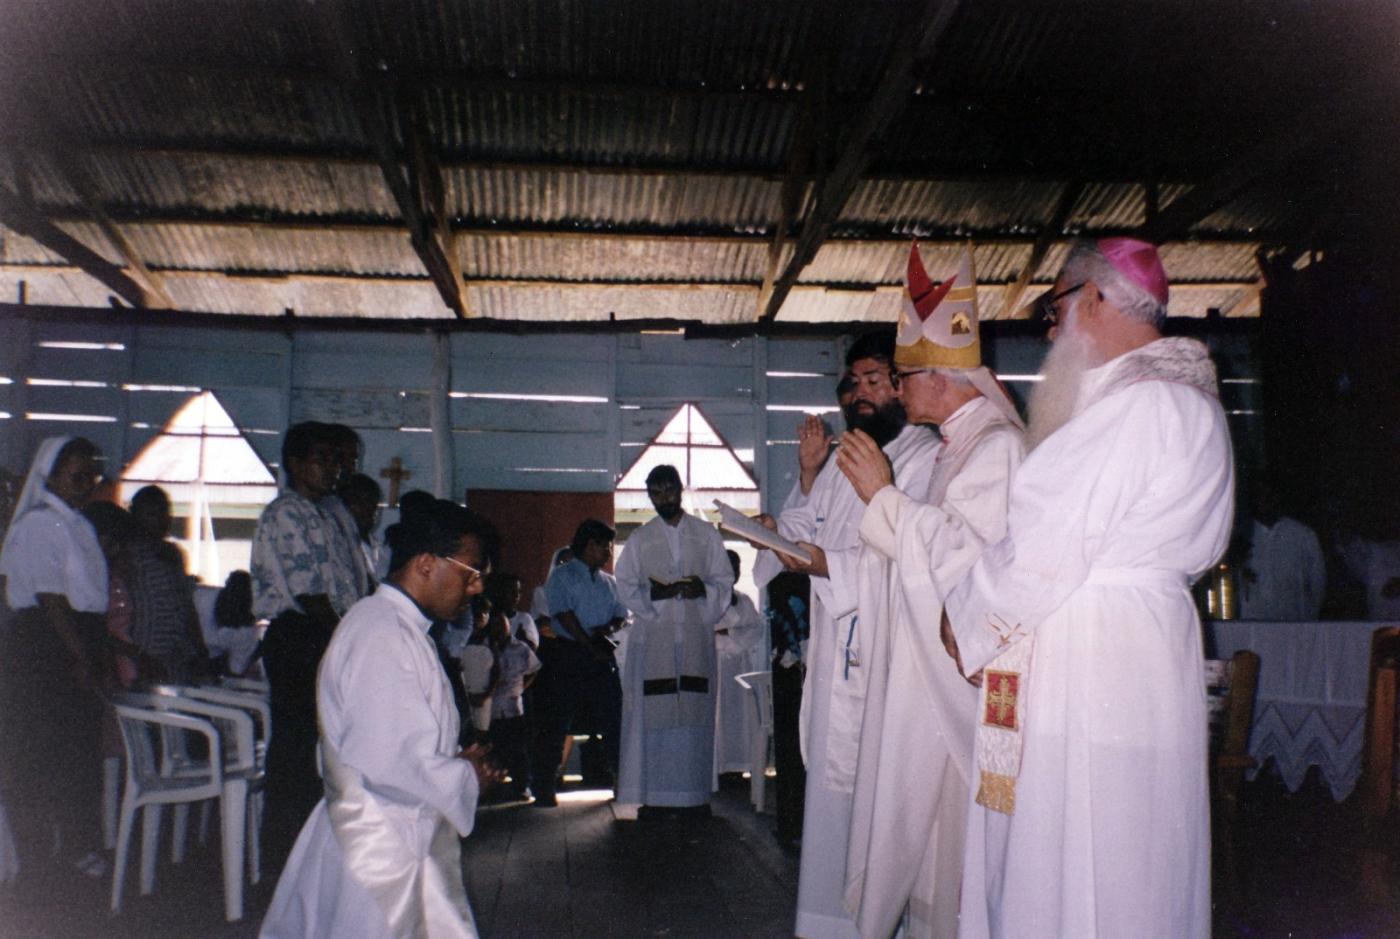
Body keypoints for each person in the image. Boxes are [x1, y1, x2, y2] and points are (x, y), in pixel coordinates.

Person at [939, 238, 1234, 937]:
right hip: (1141, 653)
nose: (1052, 327)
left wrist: (964, 618)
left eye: (1056, 305)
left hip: (1089, 653)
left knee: (1073, 851)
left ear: (1097, 298)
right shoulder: (1189, 404)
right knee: (1134, 856)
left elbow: (1043, 539)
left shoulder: (1137, 404)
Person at [836, 243, 1026, 939]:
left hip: (962, 699)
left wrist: (884, 499)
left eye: (905, 374)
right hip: (928, 686)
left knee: (955, 861)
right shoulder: (958, 445)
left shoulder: (999, 448)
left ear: (942, 378)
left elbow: (969, 570)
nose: (898, 385)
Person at [753, 331, 939, 939]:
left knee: (882, 794)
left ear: (902, 384)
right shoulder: (840, 458)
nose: (860, 394)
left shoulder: (925, 456)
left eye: (874, 380)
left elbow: (919, 558)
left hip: (892, 652)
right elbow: (810, 535)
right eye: (851, 383)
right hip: (839, 649)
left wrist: (826, 564)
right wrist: (801, 489)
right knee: (835, 795)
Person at [260, 499, 502, 939]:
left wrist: (453, 761)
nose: (476, 588)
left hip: (392, 825)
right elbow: (388, 759)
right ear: (427, 564)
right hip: (380, 842)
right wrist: (466, 776)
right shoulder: (383, 635)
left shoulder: (393, 624)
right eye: (471, 572)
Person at [251, 421, 364, 862]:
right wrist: (348, 644)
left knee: (326, 751)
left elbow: (348, 585)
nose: (332, 469)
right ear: (295, 464)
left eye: (336, 460)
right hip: (302, 638)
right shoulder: (287, 513)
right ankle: (282, 858)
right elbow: (310, 593)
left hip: (328, 635)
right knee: (295, 752)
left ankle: (317, 856)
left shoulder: (328, 514)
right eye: (321, 460)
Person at [0, 436, 109, 878]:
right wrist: (78, 656)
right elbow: (50, 598)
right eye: (76, 475)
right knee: (44, 754)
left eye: (90, 475)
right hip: (49, 645)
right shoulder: (40, 524)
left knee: (76, 754)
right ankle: (40, 861)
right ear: (52, 474)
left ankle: (74, 849)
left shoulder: (75, 524)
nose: (85, 483)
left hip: (74, 638)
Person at [615, 465, 735, 810]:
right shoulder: (640, 538)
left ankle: (693, 795)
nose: (663, 498)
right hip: (654, 639)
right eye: (656, 492)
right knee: (653, 716)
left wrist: (702, 588)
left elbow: (723, 580)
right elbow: (625, 585)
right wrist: (653, 597)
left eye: (669, 490)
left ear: (680, 489)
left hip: (695, 636)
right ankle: (654, 796)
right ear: (649, 494)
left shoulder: (705, 534)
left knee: (693, 716)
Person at [530, 519, 628, 808]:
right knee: (556, 722)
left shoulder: (610, 582)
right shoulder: (562, 576)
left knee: (613, 718)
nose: (609, 552)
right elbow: (564, 616)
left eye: (610, 546)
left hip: (600, 654)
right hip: (569, 655)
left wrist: (607, 631)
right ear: (588, 545)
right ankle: (544, 787)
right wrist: (588, 643)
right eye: (604, 545)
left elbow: (621, 615)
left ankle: (621, 782)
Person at [1236, 479, 1326, 620]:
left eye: (1269, 494)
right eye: (1259, 495)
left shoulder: (1302, 536)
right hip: (1252, 628)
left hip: (1293, 627)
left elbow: (1317, 585)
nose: (1264, 500)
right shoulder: (1241, 536)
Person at [713, 551, 768, 779]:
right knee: (718, 717)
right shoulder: (707, 599)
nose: (733, 573)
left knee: (739, 717)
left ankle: (736, 767)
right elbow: (707, 630)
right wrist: (729, 635)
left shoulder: (743, 600)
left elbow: (755, 629)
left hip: (739, 665)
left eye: (736, 568)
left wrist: (730, 634)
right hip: (716, 665)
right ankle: (717, 768)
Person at [483, 603, 541, 800]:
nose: (499, 627)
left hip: (513, 707)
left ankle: (521, 786)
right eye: (495, 624)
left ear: (509, 625)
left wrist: (521, 688)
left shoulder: (520, 648)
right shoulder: (484, 648)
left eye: (502, 623)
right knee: (492, 749)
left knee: (518, 750)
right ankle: (491, 788)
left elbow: (534, 669)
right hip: (489, 709)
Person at [341, 471, 390, 586]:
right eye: (359, 502)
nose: (367, 508)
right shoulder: (340, 548)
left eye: (373, 502)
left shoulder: (382, 550)